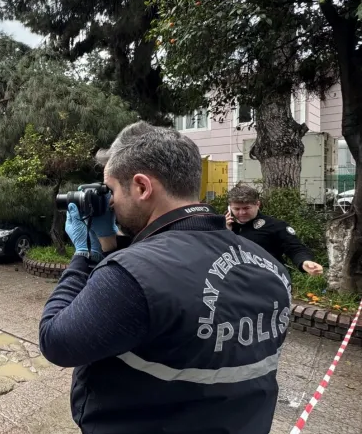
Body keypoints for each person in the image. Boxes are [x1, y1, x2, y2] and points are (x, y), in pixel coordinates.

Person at [39, 122, 292, 434]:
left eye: (113, 190)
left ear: (142, 187)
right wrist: (109, 243)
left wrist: (86, 251)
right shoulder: (269, 266)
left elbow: (56, 341)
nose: (111, 203)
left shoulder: (133, 275)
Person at [225, 185, 323, 275]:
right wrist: (223, 232)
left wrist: (304, 261)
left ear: (257, 204)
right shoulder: (223, 227)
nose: (242, 212)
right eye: (237, 209)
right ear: (230, 208)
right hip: (234, 281)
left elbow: (295, 248)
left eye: (247, 208)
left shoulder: (274, 225)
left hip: (268, 279)